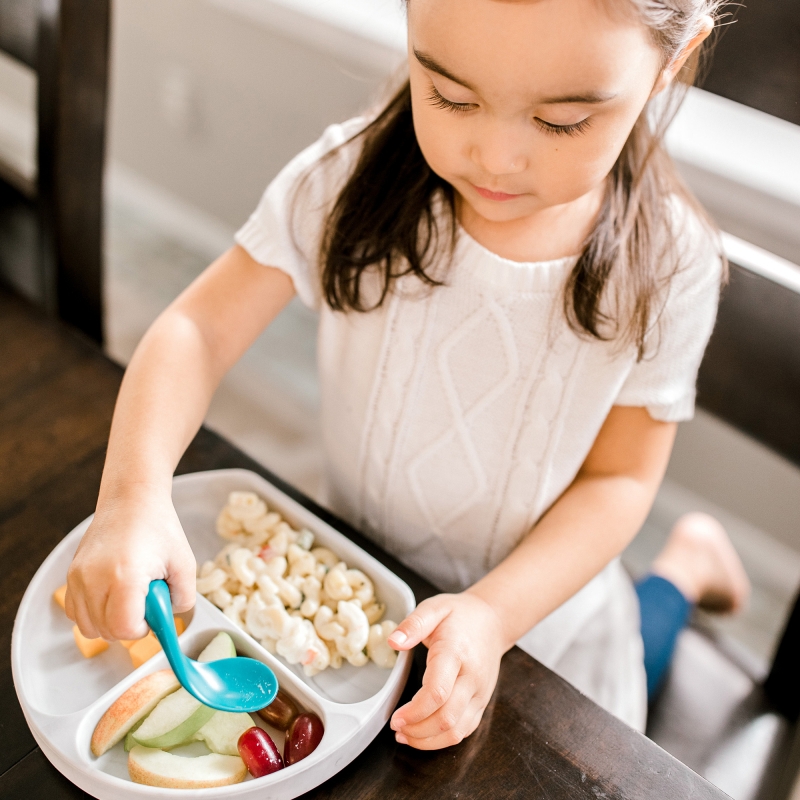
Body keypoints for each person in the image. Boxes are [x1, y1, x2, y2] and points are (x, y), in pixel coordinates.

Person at [66, 0, 745, 747]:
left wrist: (493, 614)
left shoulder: (671, 266)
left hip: (540, 621)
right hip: (365, 583)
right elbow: (197, 328)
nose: (494, 156)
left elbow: (619, 481)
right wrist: (131, 495)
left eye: (559, 122)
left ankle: (685, 566)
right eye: (450, 96)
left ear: (670, 63)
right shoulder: (348, 176)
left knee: (643, 662)